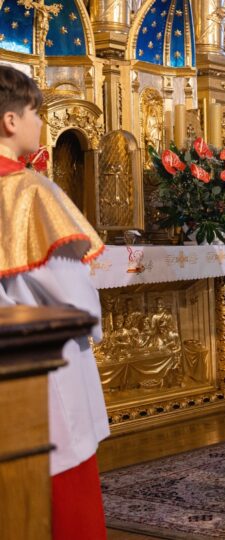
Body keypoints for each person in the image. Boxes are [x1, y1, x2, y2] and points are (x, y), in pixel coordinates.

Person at [0, 64, 109, 539]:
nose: (41, 123)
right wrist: (94, 327)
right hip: (45, 361)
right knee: (64, 489)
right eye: (35, 113)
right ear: (10, 121)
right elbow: (72, 295)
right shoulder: (30, 190)